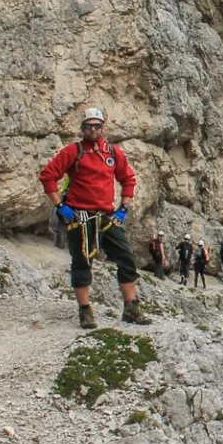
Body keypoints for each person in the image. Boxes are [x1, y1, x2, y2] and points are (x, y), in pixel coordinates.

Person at [38, 108, 154, 329]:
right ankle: (85, 311)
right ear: (83, 128)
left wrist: (124, 207)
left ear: (103, 127)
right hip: (79, 216)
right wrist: (60, 206)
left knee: (126, 256)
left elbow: (128, 178)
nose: (92, 129)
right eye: (89, 126)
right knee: (82, 262)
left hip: (105, 215)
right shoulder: (73, 152)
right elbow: (48, 176)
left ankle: (131, 307)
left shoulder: (112, 153)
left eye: (96, 126)